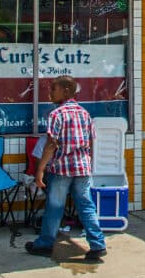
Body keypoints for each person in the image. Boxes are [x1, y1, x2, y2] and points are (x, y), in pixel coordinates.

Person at [25, 76, 107, 262]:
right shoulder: (84, 113)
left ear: (66, 91)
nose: (50, 93)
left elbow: (51, 144)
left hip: (62, 169)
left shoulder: (57, 114)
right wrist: (89, 164)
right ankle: (98, 244)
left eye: (53, 89)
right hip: (82, 168)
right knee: (86, 206)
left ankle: (45, 244)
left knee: (54, 207)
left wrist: (40, 170)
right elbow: (91, 141)